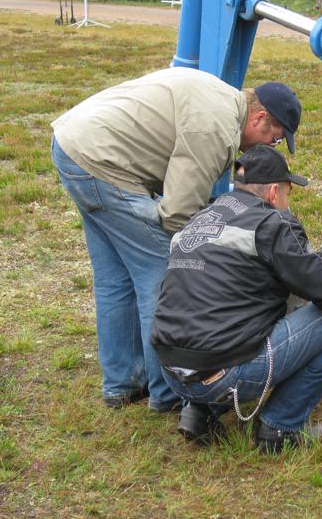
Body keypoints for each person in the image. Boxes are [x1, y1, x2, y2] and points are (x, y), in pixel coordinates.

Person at [50, 67, 301, 411]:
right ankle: (168, 393)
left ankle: (123, 383)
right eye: (274, 138)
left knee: (116, 280)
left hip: (75, 144)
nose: (269, 147)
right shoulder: (216, 129)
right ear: (259, 118)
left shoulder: (221, 98)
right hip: (104, 161)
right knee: (163, 273)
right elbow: (178, 215)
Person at [150, 146, 322, 453]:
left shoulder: (199, 219)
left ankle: (199, 411)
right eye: (289, 193)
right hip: (226, 377)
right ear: (275, 192)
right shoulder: (269, 224)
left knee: (227, 307)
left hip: (171, 371)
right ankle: (280, 426)